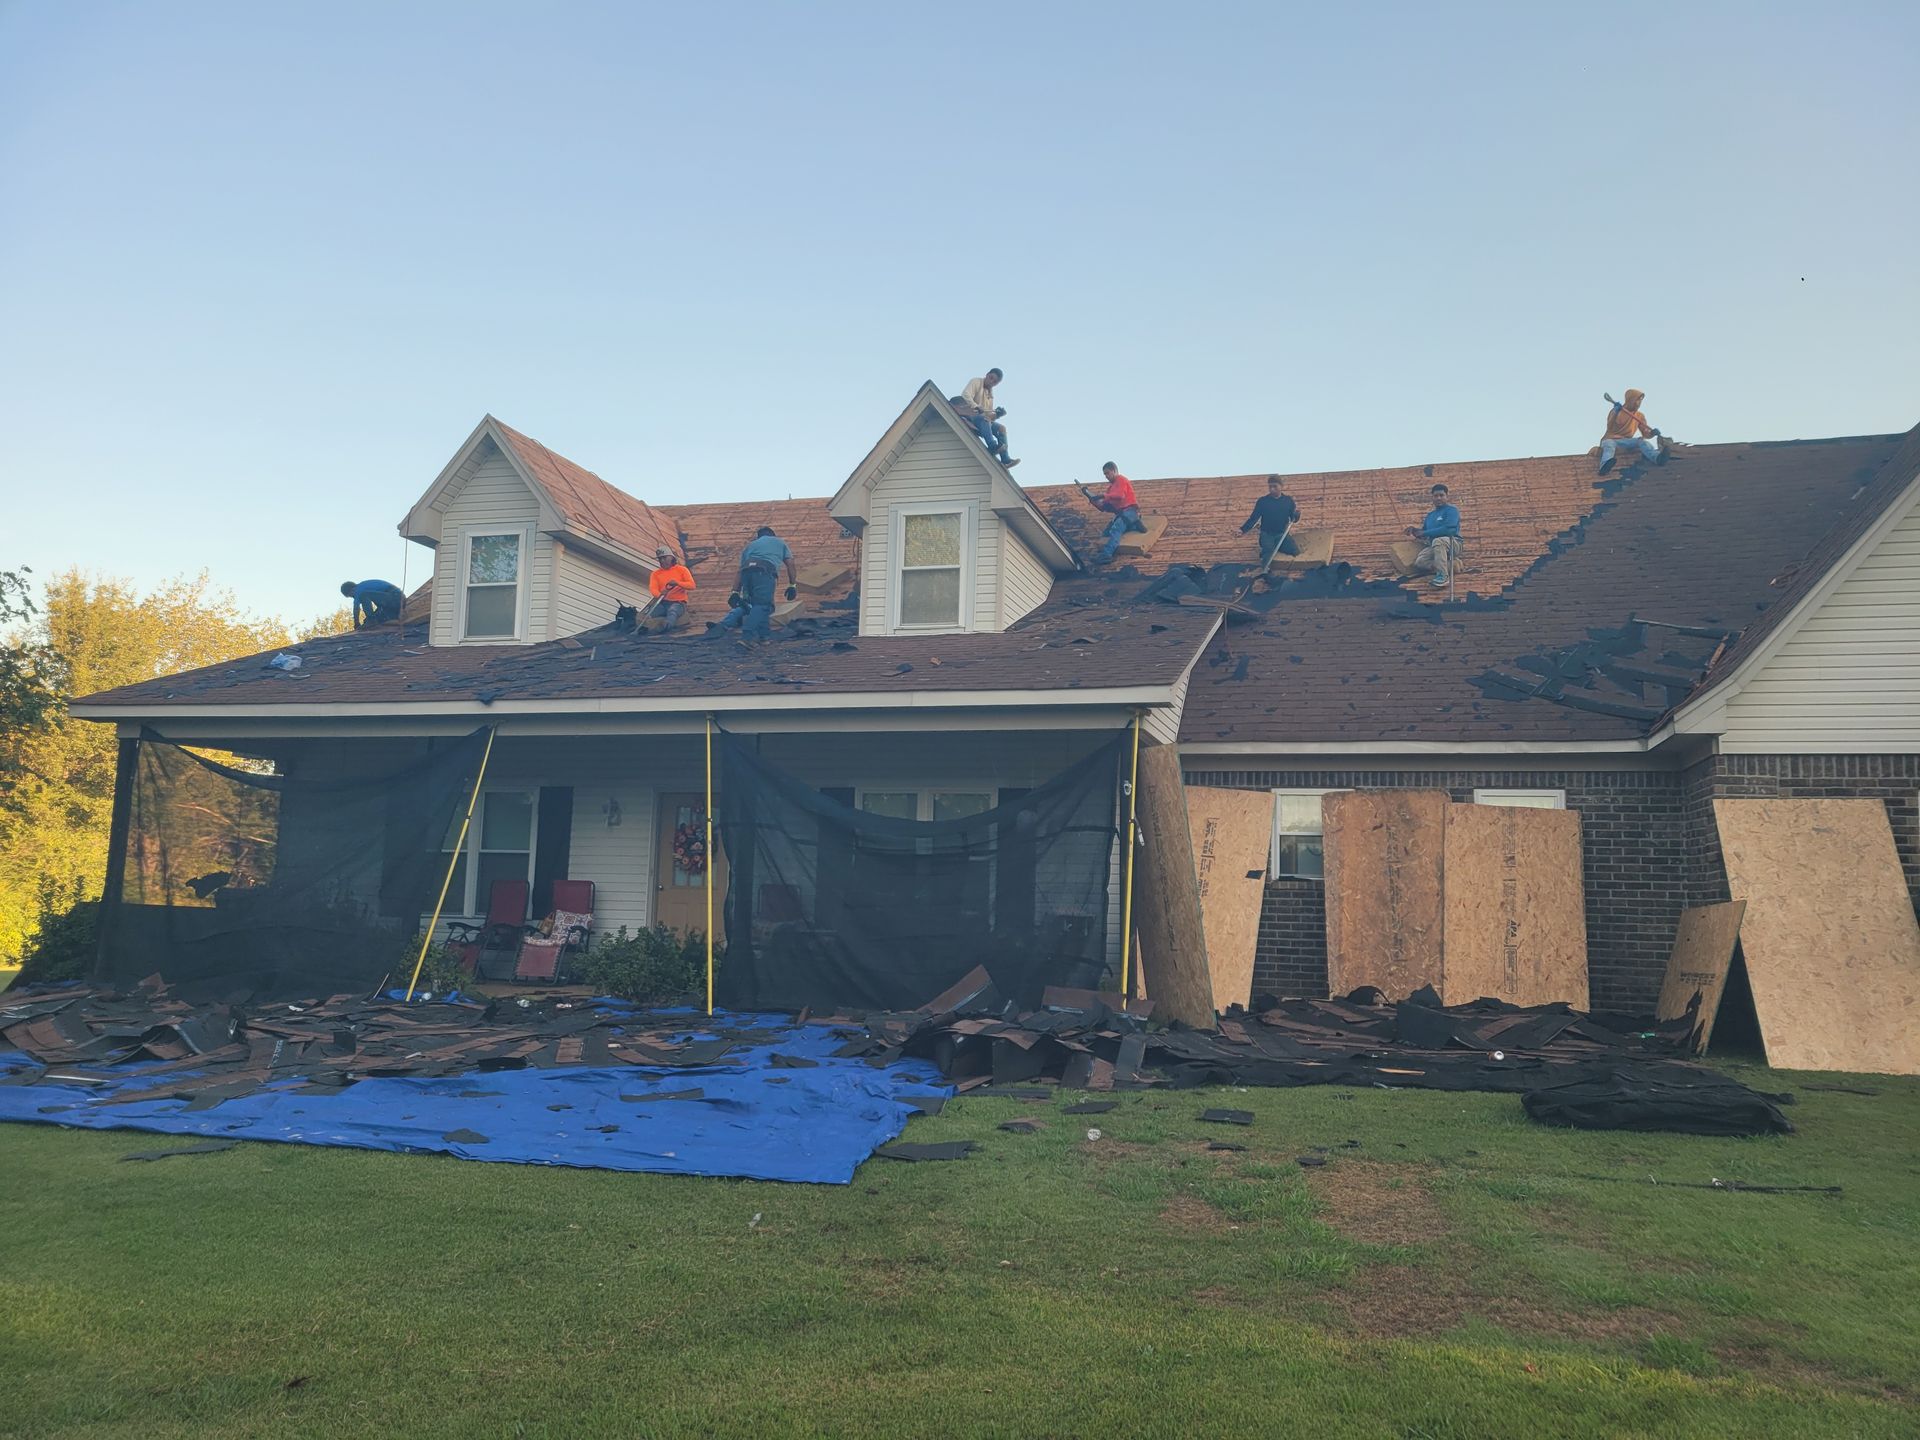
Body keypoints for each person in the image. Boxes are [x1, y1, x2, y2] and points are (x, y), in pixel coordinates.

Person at [716, 525, 798, 641]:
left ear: (759, 537)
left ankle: (764, 637)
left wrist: (735, 592)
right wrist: (792, 585)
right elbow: (790, 564)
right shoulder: (779, 542)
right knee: (763, 605)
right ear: (772, 535)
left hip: (747, 573)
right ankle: (747, 637)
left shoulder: (750, 546)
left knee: (752, 605)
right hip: (764, 572)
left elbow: (741, 570)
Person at [1087, 461, 1148, 563]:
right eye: (1104, 474)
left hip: (1130, 511)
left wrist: (1103, 496)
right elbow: (1104, 507)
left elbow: (1120, 496)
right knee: (1107, 533)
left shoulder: (1121, 480)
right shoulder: (1110, 489)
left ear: (1114, 471)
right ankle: (1133, 524)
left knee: (1116, 529)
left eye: (1107, 473)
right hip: (1121, 514)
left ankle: (1106, 555)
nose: (1106, 476)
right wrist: (1092, 500)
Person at [1404, 484, 1462, 589]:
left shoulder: (1452, 510)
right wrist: (1415, 531)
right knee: (1420, 562)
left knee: (1438, 541)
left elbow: (1450, 529)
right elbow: (1425, 533)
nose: (1438, 498)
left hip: (1454, 543)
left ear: (1446, 496)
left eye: (1441, 495)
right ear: (1432, 498)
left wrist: (1424, 533)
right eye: (1436, 496)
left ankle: (1443, 576)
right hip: (1436, 547)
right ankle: (1452, 565)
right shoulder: (1430, 516)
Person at [958, 368, 1018, 467]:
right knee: (983, 419)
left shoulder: (990, 396)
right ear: (987, 375)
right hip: (969, 415)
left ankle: (1005, 459)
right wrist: (976, 406)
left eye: (995, 382)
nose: (992, 382)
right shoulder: (976, 381)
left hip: (982, 420)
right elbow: (965, 395)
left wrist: (997, 415)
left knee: (1001, 428)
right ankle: (992, 446)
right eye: (991, 378)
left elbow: (989, 418)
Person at [1240, 474, 1301, 568]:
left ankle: (1277, 546)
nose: (1272, 489)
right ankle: (1265, 559)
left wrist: (1297, 515)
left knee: (1294, 551)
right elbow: (1253, 518)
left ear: (1281, 486)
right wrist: (1242, 530)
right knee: (1268, 553)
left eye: (1275, 486)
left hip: (1282, 534)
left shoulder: (1288, 501)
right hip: (1267, 534)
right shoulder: (1263, 501)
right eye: (1270, 487)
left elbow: (1293, 519)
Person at [1598, 388, 1663, 474]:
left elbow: (1645, 433)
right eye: (1637, 400)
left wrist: (1652, 433)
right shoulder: (1617, 411)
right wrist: (1615, 412)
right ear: (1630, 400)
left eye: (1640, 401)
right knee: (1609, 445)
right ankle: (1604, 466)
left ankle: (1657, 457)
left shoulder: (1639, 416)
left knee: (1641, 441)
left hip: (1627, 441)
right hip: (1612, 439)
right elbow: (1610, 427)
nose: (1638, 403)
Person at [648, 545, 696, 630]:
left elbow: (692, 585)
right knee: (651, 613)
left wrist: (677, 583)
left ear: (671, 557)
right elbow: (653, 589)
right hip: (662, 602)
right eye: (660, 559)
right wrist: (659, 594)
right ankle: (645, 629)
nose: (662, 561)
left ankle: (666, 628)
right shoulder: (655, 574)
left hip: (678, 603)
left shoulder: (682, 570)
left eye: (664, 558)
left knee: (672, 611)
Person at [340, 578, 405, 629]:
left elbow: (356, 608)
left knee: (364, 595)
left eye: (351, 596)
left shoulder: (359, 589)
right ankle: (389, 616)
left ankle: (371, 619)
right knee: (369, 620)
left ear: (352, 590)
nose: (354, 598)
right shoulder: (366, 589)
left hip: (396, 598)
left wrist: (356, 623)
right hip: (392, 606)